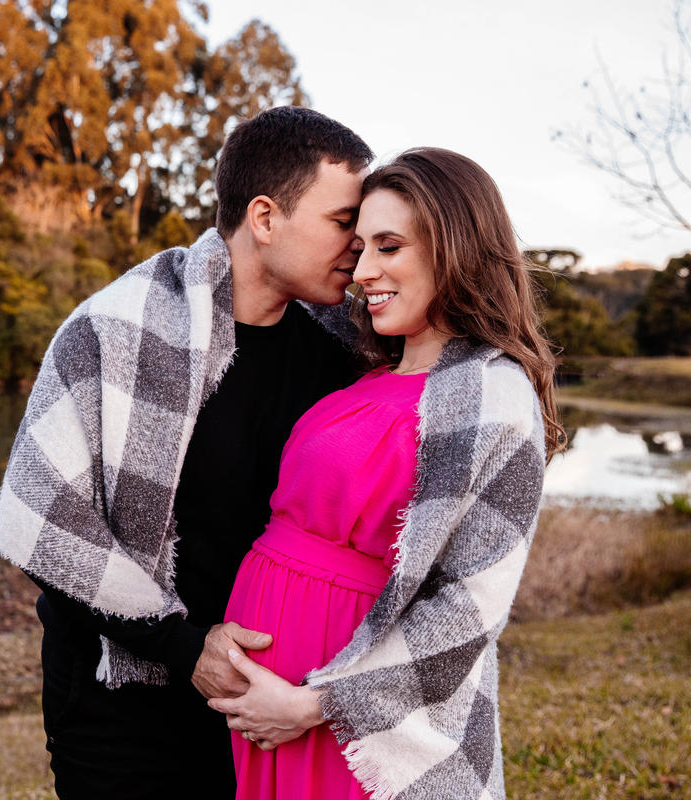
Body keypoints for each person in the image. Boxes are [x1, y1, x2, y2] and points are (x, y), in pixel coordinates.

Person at [0, 107, 374, 798]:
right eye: (344, 223)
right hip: (121, 702)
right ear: (264, 218)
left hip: (266, 699)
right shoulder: (115, 329)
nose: (360, 246)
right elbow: (43, 515)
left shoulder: (346, 352)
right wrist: (184, 646)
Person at [208, 148, 565, 800]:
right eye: (360, 246)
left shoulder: (493, 392)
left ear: (453, 248)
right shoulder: (363, 370)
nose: (363, 270)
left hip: (343, 716)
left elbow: (469, 607)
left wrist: (318, 703)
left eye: (390, 247)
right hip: (267, 703)